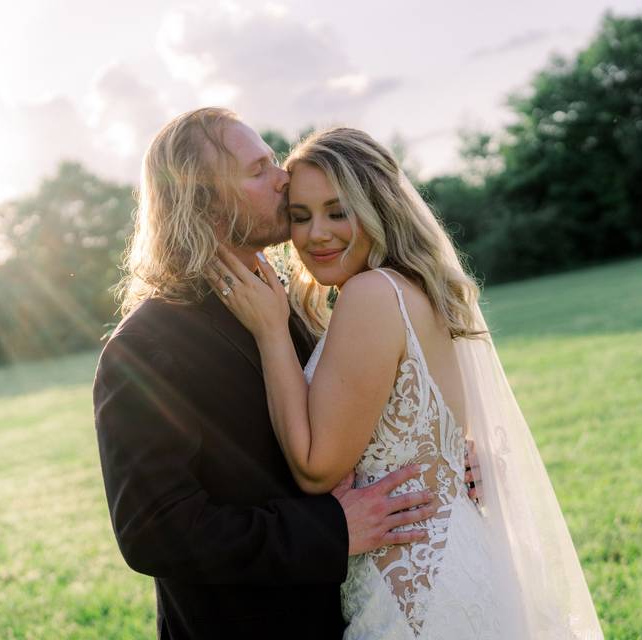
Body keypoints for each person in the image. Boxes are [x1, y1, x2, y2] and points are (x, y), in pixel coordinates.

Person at [206, 127, 605, 638]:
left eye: (338, 211)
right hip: (456, 562)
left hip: (416, 597)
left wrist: (270, 333)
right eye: (300, 217)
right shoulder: (414, 287)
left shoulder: (372, 294)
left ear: (378, 207)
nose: (315, 234)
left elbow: (316, 471)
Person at [92, 108, 442, 639]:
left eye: (274, 161)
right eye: (258, 170)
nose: (283, 178)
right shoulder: (147, 347)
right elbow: (154, 531)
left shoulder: (288, 300)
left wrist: (441, 457)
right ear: (203, 200)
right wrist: (331, 531)